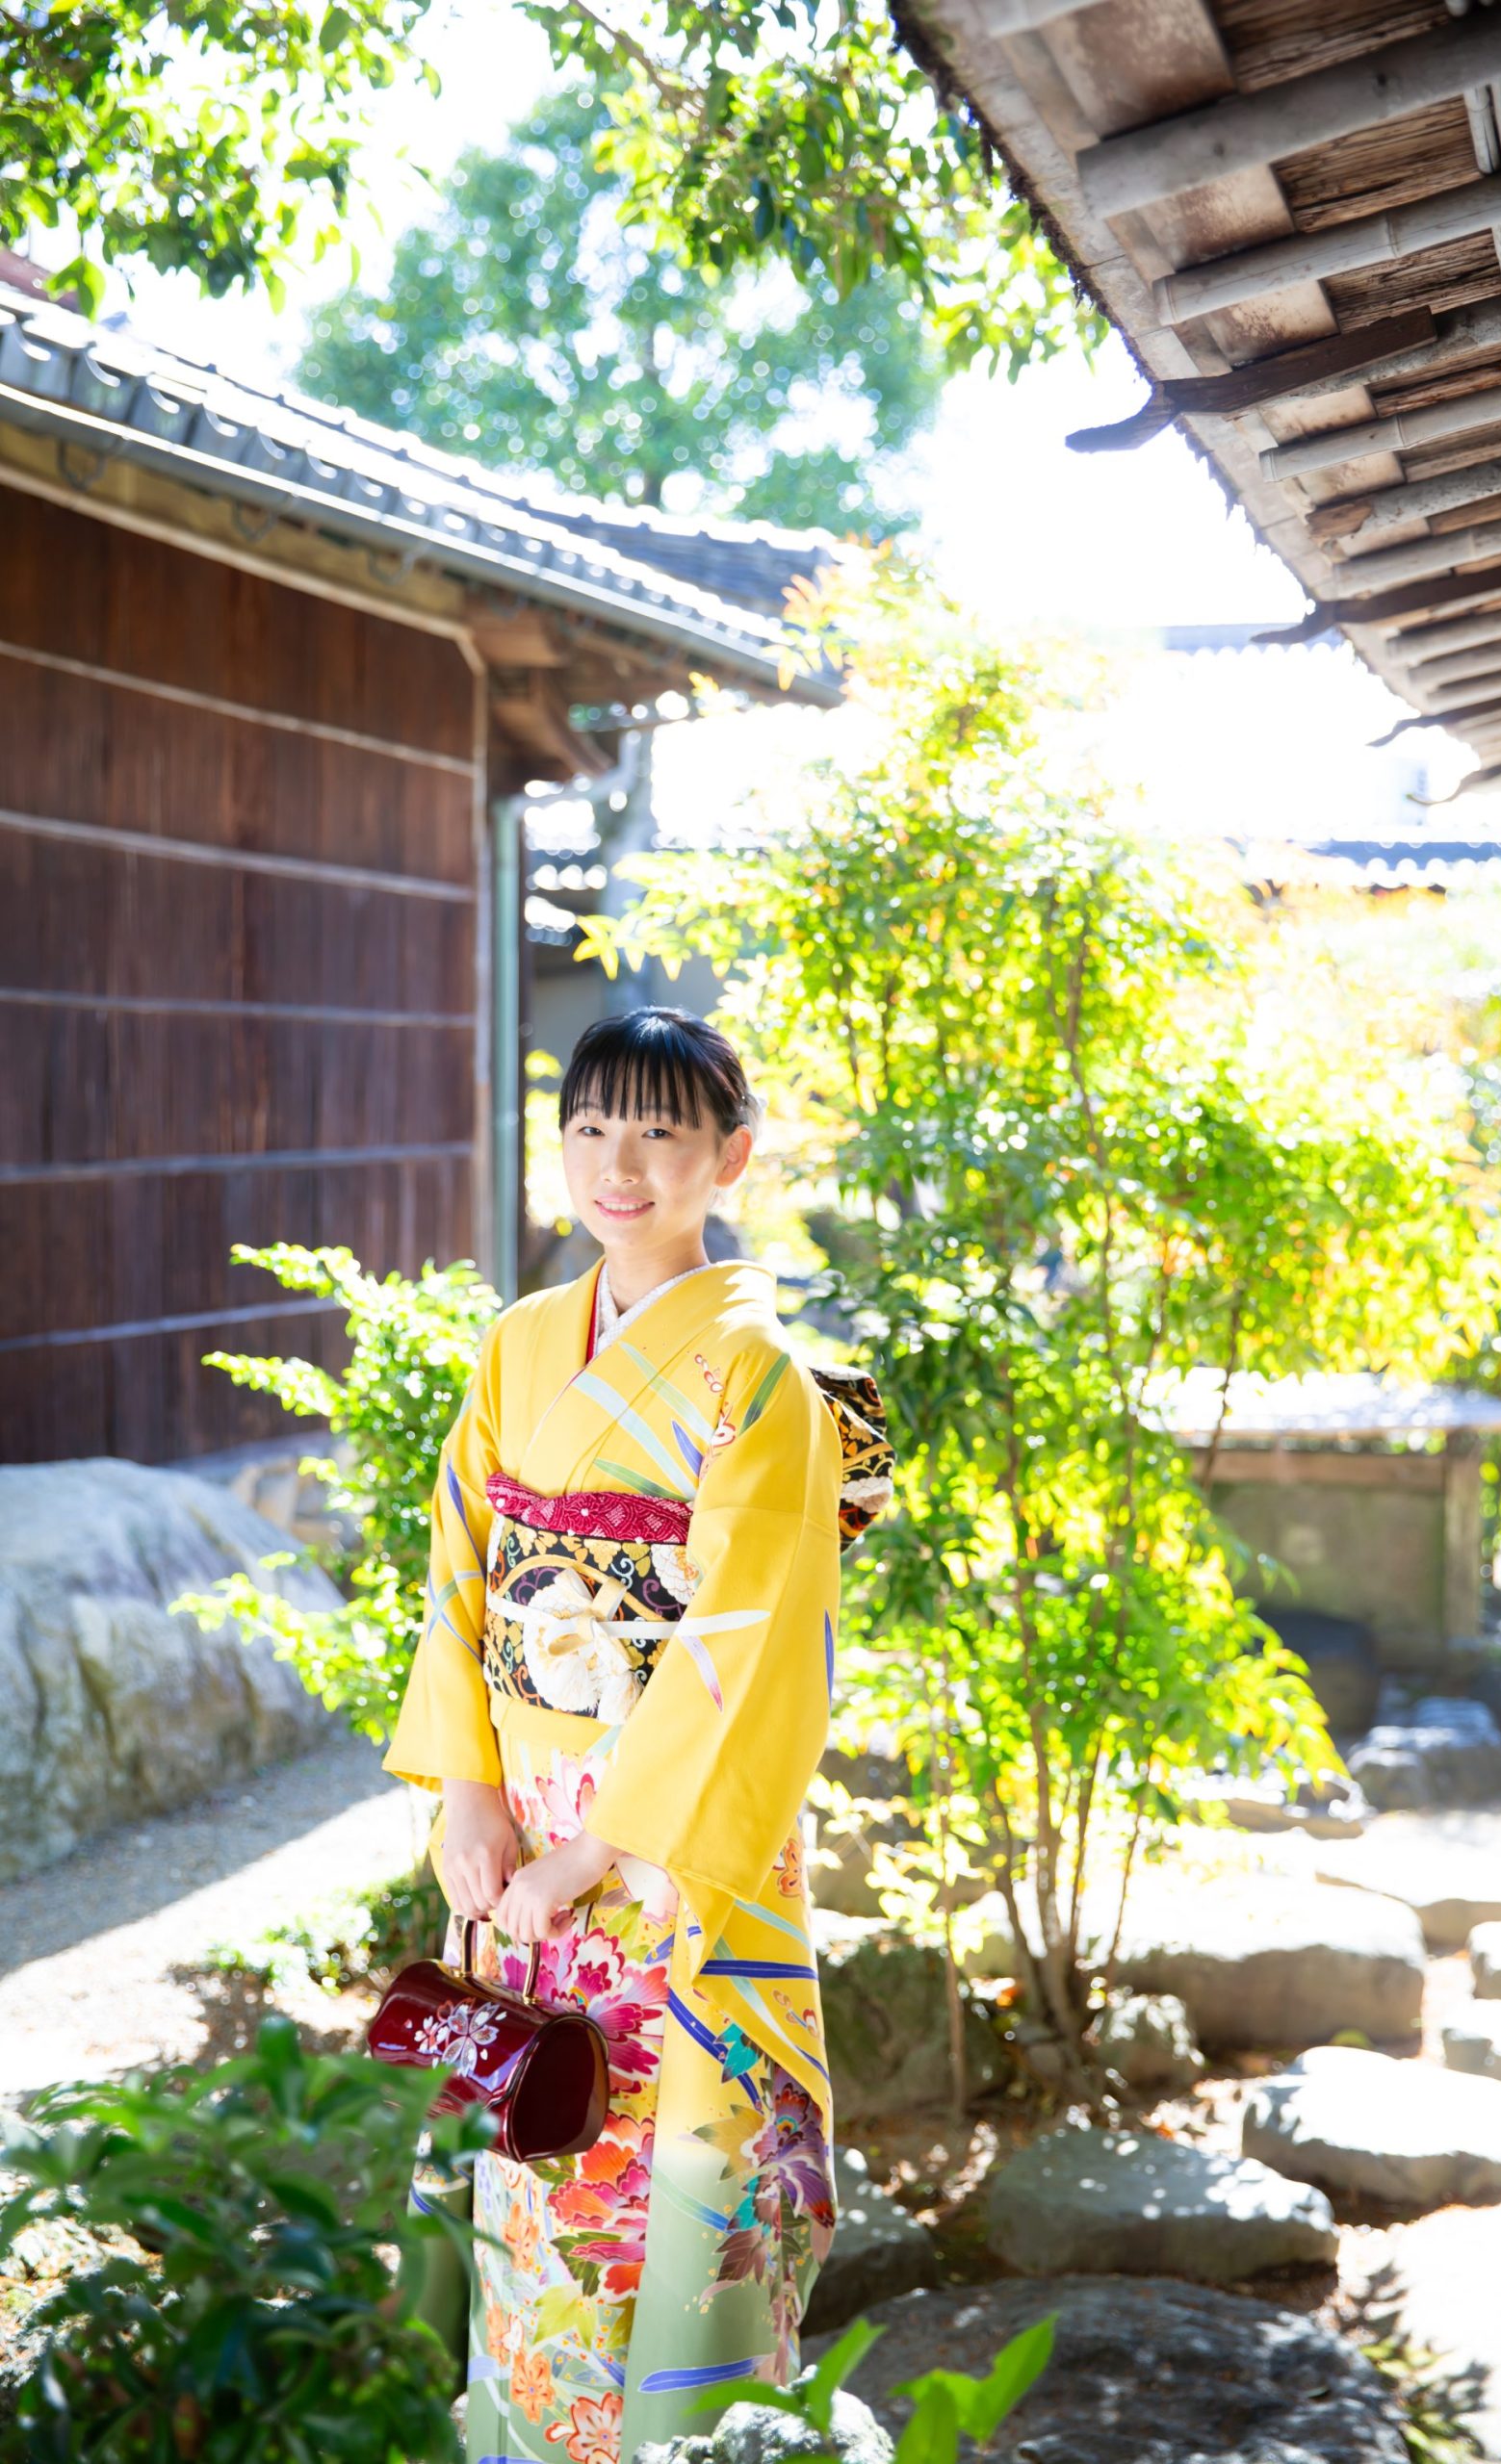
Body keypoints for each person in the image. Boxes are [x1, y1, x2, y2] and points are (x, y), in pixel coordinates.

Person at [384, 1007, 893, 2464]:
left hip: (672, 1829)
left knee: (664, 2127)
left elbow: (749, 1632)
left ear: (730, 1158)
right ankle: (519, 2422)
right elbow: (460, 1572)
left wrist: (608, 1844)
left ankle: (680, 2427)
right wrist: (472, 1792)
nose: (621, 1163)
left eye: (661, 1133)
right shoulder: (519, 1345)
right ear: (558, 1150)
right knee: (531, 2121)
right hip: (523, 1810)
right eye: (591, 1128)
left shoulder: (772, 1381)